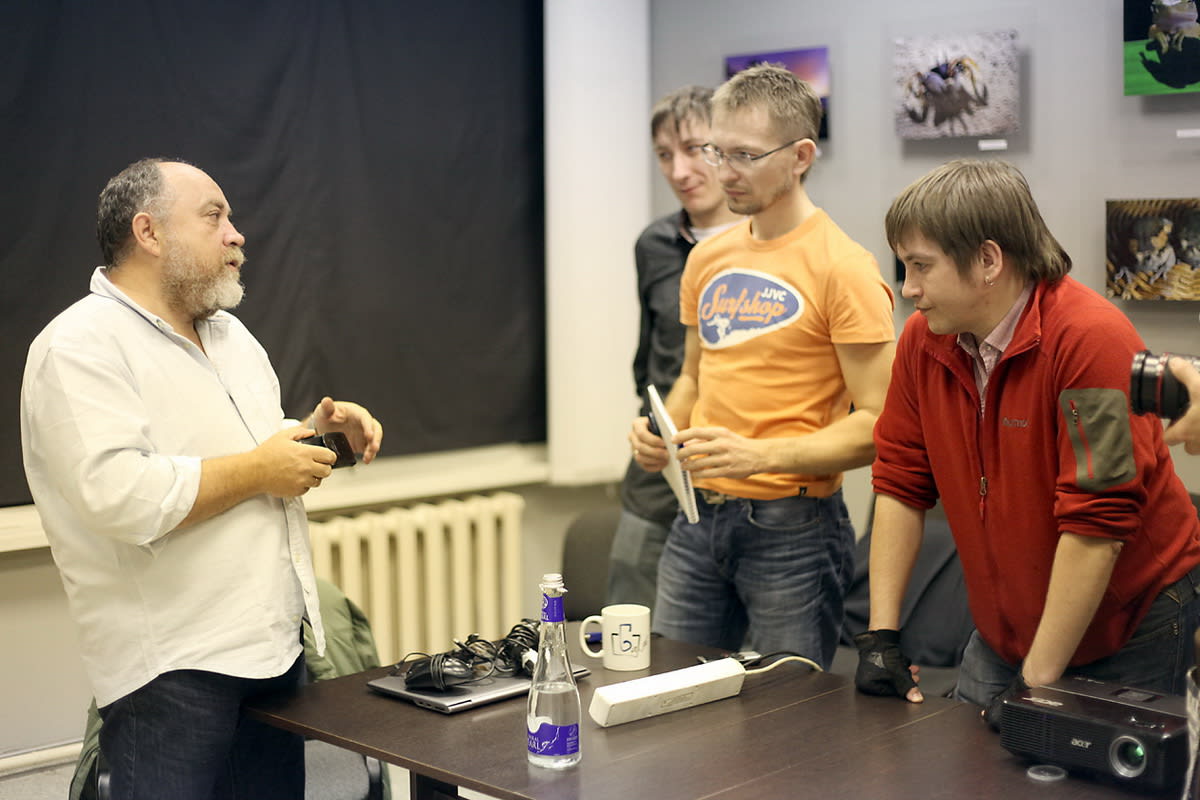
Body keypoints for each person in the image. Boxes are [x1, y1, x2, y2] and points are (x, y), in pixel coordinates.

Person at [20, 158, 384, 799]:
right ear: (149, 232)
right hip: (172, 671)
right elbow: (119, 495)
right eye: (214, 216)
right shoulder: (78, 345)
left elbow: (248, 454)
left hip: (272, 651)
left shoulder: (233, 337)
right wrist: (260, 468)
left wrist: (318, 433)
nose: (236, 234)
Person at [855, 159, 1200, 722]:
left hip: (1128, 628)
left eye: (921, 266)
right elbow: (899, 480)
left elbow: (1097, 526)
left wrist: (1035, 686)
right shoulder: (924, 340)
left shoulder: (1091, 339)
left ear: (988, 260)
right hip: (1003, 632)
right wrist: (881, 635)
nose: (908, 288)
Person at [629, 65, 896, 668]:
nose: (724, 172)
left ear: (800, 156)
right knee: (668, 694)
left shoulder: (844, 268)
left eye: (745, 156)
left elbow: (881, 424)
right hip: (696, 518)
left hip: (794, 530)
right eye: (717, 151)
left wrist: (761, 456)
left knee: (787, 711)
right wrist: (661, 434)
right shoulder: (708, 258)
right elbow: (693, 375)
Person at [607, 85, 742, 610]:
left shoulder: (773, 244)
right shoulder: (654, 245)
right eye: (665, 155)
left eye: (694, 149)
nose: (679, 171)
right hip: (660, 469)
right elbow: (650, 359)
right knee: (630, 614)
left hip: (743, 473)